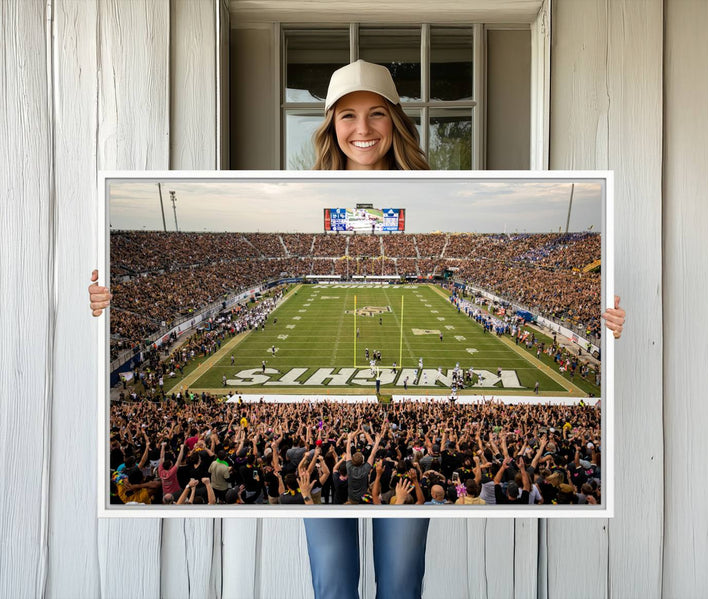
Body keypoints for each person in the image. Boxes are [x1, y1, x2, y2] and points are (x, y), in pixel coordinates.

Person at [88, 59, 627, 599]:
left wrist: (608, 321)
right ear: (330, 126)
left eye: (376, 114)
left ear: (395, 121)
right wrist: (107, 302)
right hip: (335, 471)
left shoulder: (435, 188)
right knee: (333, 584)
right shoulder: (304, 191)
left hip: (397, 454)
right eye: (347, 116)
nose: (362, 129)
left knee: (400, 583)